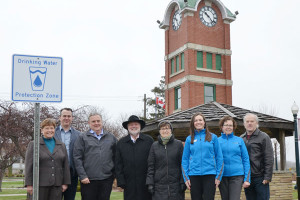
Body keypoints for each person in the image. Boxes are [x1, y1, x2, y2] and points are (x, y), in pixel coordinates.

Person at [73, 113, 117, 200]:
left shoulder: (111, 137)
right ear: (89, 123)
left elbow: (116, 157)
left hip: (106, 179)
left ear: (102, 122)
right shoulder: (82, 137)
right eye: (93, 121)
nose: (96, 123)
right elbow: (77, 157)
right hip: (88, 179)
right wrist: (83, 176)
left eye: (98, 121)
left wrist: (114, 175)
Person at [25, 118, 71, 200]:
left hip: (57, 185)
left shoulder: (61, 145)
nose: (49, 130)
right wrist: (29, 184)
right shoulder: (34, 144)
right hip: (39, 185)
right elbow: (29, 165)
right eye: (46, 128)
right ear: (41, 130)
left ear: (54, 130)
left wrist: (65, 183)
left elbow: (65, 165)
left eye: (51, 128)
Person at [181, 112, 223, 200]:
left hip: (210, 175)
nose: (198, 122)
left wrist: (218, 177)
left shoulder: (213, 137)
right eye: (196, 120)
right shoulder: (189, 139)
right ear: (193, 123)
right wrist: (186, 178)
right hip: (194, 175)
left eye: (200, 120)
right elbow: (184, 159)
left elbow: (219, 158)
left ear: (204, 122)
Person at [115, 115, 154, 200]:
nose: (133, 126)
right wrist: (121, 181)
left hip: (146, 182)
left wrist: (152, 180)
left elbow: (153, 161)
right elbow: (118, 164)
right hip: (129, 183)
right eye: (131, 125)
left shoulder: (149, 141)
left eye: (136, 124)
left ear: (140, 126)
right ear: (127, 127)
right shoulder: (121, 143)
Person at [146, 121, 185, 200]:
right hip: (159, 187)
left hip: (176, 186)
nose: (165, 130)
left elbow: (183, 164)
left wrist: (183, 181)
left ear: (171, 130)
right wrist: (150, 183)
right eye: (163, 129)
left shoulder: (178, 144)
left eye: (167, 128)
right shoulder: (154, 146)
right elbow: (151, 166)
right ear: (159, 131)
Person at [240, 113, 274, 200]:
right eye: (247, 121)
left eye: (252, 121)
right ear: (244, 124)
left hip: (260, 177)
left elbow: (269, 157)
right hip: (248, 178)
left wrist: (267, 177)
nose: (249, 123)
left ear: (256, 123)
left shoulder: (264, 137)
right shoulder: (241, 139)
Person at [218, 116, 251, 200]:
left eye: (230, 125)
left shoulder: (239, 140)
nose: (228, 127)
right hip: (222, 176)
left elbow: (245, 159)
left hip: (237, 176)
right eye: (226, 125)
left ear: (233, 127)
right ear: (222, 127)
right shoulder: (217, 141)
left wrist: (247, 179)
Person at [55, 108, 81, 200]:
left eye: (69, 116)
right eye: (64, 116)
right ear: (60, 117)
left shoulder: (79, 135)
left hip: (71, 174)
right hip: (55, 172)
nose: (66, 118)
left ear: (72, 118)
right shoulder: (52, 133)